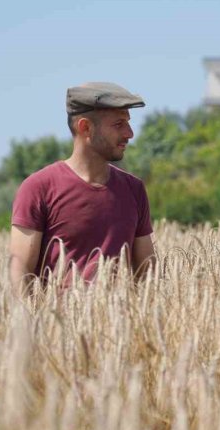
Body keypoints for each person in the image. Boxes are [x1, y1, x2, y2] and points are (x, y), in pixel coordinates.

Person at [9, 82, 156, 295]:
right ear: (85, 127)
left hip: (119, 326)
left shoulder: (134, 189)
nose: (130, 133)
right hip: (57, 325)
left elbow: (147, 275)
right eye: (118, 124)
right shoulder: (38, 188)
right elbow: (19, 274)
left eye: (128, 123)